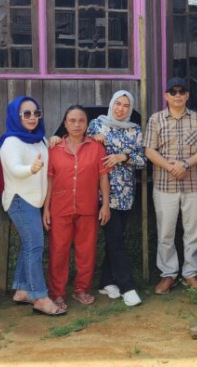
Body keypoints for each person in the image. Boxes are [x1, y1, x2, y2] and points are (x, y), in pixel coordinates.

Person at [144, 77, 197, 294]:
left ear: (187, 95)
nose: (177, 95)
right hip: (164, 185)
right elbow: (149, 150)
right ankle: (168, 274)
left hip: (192, 184)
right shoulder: (156, 120)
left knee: (193, 231)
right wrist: (169, 166)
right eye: (173, 92)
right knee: (165, 232)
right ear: (166, 96)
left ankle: (191, 273)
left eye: (181, 91)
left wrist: (185, 164)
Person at [0, 96, 65, 316]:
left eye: (36, 112)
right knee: (35, 245)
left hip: (35, 200)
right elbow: (15, 168)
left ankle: (23, 290)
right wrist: (31, 169)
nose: (33, 117)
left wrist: (54, 140)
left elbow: (49, 156)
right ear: (16, 116)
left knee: (30, 244)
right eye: (26, 114)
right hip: (19, 199)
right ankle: (40, 296)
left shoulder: (40, 139)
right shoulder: (10, 142)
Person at [44, 105, 111, 310]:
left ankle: (81, 289)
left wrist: (105, 205)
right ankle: (57, 293)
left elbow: (103, 177)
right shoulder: (54, 149)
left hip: (87, 207)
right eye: (72, 120)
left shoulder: (96, 147)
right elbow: (49, 180)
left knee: (86, 251)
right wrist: (46, 209)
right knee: (59, 252)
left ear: (87, 124)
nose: (76, 124)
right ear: (64, 123)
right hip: (60, 208)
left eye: (81, 120)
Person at [88, 91, 145, 307]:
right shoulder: (97, 124)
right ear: (111, 105)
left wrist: (125, 157)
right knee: (115, 239)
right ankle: (127, 286)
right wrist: (94, 138)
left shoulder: (134, 129)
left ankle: (105, 281)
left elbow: (142, 160)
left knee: (117, 237)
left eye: (125, 105)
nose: (120, 109)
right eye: (117, 104)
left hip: (126, 192)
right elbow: (79, 142)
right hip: (102, 191)